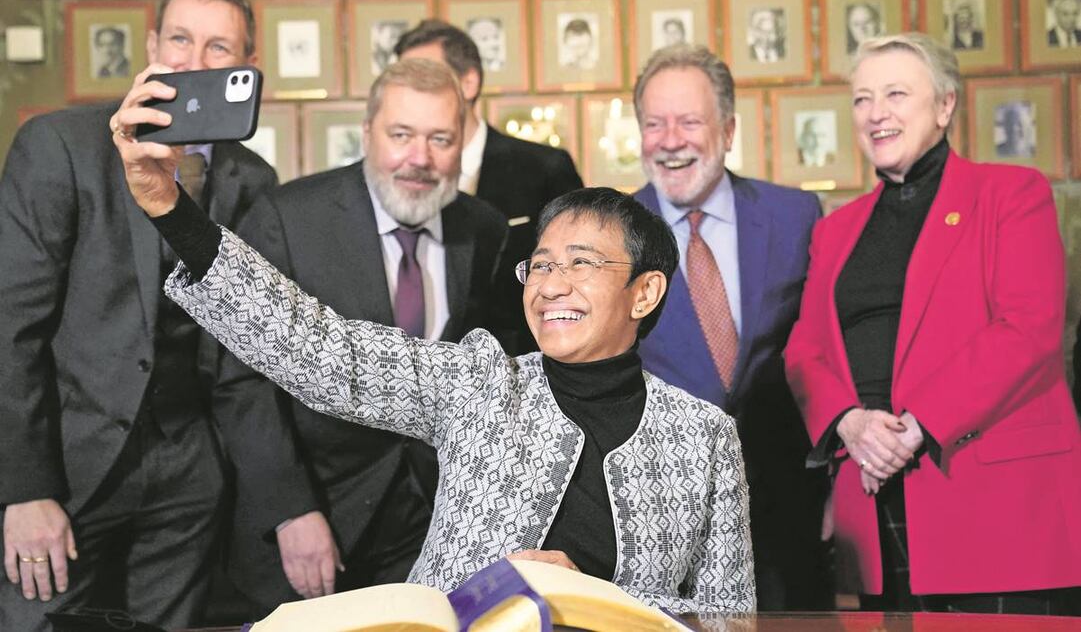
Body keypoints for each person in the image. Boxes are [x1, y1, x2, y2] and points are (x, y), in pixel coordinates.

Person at [112, 67, 757, 609]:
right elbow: (321, 350)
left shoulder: (704, 439)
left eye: (582, 263)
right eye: (542, 264)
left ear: (644, 292)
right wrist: (173, 212)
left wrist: (595, 596)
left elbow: (729, 618)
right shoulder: (481, 383)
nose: (552, 284)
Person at [0, 0, 277, 630]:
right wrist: (24, 491)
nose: (193, 60)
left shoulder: (253, 179)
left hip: (190, 478)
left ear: (246, 63)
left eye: (218, 47)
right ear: (152, 45)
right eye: (179, 38)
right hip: (66, 468)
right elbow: (10, 329)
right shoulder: (59, 146)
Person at [785, 32, 1081, 614]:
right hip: (874, 498)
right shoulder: (835, 228)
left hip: (993, 502)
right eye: (862, 99)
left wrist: (914, 427)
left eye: (896, 93)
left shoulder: (1013, 194)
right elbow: (804, 352)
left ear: (945, 106)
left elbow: (1029, 328)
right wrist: (848, 424)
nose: (876, 114)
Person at [213, 59, 509, 617]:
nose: (419, 159)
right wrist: (289, 510)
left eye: (440, 139)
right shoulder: (287, 218)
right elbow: (241, 382)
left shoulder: (486, 230)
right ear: (368, 131)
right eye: (400, 135)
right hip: (315, 521)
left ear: (464, 141)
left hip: (434, 524)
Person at [632, 45, 829, 611]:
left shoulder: (797, 216)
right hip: (663, 521)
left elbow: (826, 350)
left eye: (690, 121)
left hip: (788, 507)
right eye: (654, 123)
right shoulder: (610, 232)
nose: (671, 140)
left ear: (729, 128)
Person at [395, 19, 584, 354]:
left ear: (468, 82)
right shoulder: (393, 177)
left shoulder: (544, 169)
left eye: (424, 79)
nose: (411, 94)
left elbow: (578, 278)